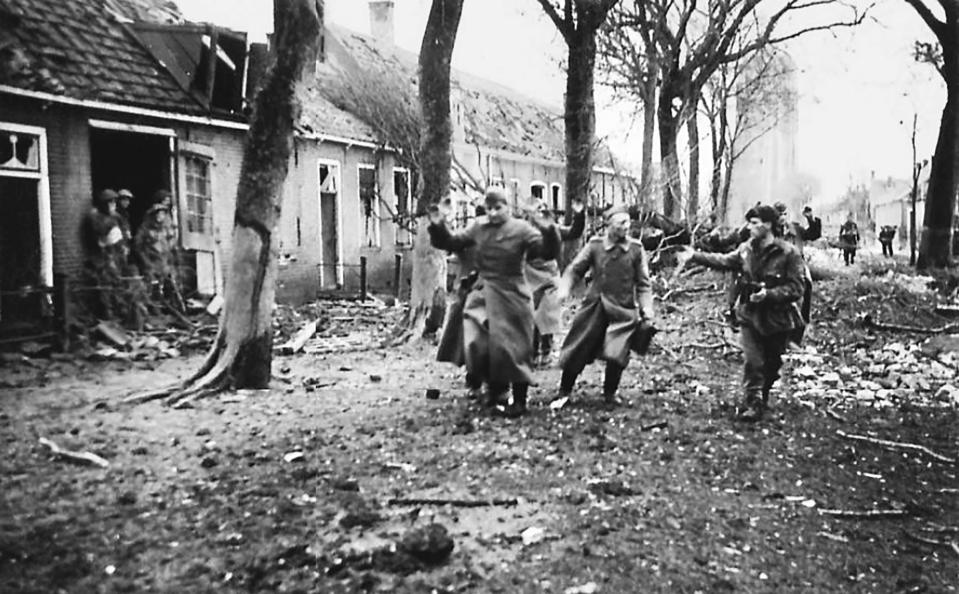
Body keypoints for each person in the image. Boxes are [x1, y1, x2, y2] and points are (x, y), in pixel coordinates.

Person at [428, 187, 560, 418]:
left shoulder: (521, 229)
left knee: (516, 348)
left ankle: (519, 400)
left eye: (498, 208)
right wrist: (439, 224)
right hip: (484, 291)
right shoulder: (478, 227)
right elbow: (452, 241)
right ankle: (494, 389)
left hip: (514, 293)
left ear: (507, 207)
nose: (493, 213)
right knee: (477, 342)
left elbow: (546, 251)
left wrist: (549, 230)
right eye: (489, 208)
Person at [677, 204, 806, 422]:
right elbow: (724, 261)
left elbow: (797, 288)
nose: (750, 227)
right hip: (750, 315)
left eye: (755, 223)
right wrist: (695, 256)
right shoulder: (746, 250)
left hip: (777, 319)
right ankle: (753, 402)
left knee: (772, 365)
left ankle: (762, 393)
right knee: (753, 361)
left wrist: (769, 294)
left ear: (768, 225)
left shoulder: (788, 253)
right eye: (749, 223)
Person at [554, 205, 654, 406]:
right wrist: (564, 288)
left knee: (618, 353)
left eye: (628, 222)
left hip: (624, 309)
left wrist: (647, 309)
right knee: (578, 347)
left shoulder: (636, 249)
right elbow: (575, 269)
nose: (627, 227)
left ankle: (610, 393)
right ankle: (564, 391)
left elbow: (643, 284)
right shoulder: (595, 246)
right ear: (609, 225)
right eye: (621, 223)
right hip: (595, 306)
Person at [523, 197, 586, 367]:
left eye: (544, 208)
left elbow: (574, 232)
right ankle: (532, 352)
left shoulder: (554, 229)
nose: (542, 212)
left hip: (550, 276)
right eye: (538, 209)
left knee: (548, 313)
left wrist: (579, 215)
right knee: (532, 316)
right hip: (529, 276)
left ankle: (546, 351)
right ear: (529, 213)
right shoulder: (522, 231)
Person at [81, 189, 125, 318]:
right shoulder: (94, 216)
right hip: (100, 256)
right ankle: (106, 312)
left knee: (116, 281)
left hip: (113, 254)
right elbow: (98, 238)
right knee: (104, 284)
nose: (113, 205)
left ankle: (118, 310)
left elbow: (121, 232)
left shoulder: (116, 216)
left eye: (114, 202)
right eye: (110, 202)